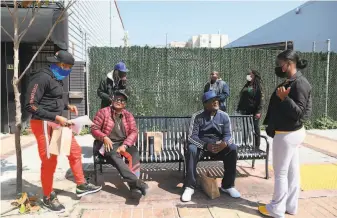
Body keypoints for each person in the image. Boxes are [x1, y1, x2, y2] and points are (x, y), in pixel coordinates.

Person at [25, 50, 102, 213]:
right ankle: (47, 196)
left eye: (69, 67)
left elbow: (52, 99)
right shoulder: (41, 77)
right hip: (43, 124)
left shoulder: (56, 78)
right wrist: (55, 117)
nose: (66, 70)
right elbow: (30, 105)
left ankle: (81, 185)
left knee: (74, 151)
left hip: (57, 122)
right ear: (55, 63)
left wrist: (67, 106)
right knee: (49, 160)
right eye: (64, 66)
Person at [258, 50, 312, 218]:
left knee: (280, 172)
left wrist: (285, 99)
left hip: (287, 134)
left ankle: (276, 209)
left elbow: (301, 114)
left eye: (280, 63)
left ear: (289, 63)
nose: (278, 66)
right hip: (289, 133)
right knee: (291, 171)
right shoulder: (292, 81)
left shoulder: (300, 84)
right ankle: (290, 206)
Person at [181, 90, 241, 202]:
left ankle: (228, 186)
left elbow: (229, 135)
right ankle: (189, 187)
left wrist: (225, 143)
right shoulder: (197, 116)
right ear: (205, 104)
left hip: (219, 146)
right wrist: (205, 145)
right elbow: (192, 137)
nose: (216, 102)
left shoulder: (224, 116)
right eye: (212, 100)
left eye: (216, 99)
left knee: (232, 148)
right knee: (191, 149)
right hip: (203, 146)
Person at [91, 91, 149, 198]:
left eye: (121, 100)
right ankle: (137, 183)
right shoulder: (103, 112)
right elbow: (94, 128)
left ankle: (134, 187)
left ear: (124, 104)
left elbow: (133, 131)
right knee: (113, 154)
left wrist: (125, 145)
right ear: (112, 100)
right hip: (109, 143)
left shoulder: (128, 115)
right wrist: (104, 137)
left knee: (134, 153)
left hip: (123, 143)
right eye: (116, 99)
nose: (118, 101)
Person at [236, 70, 264, 148]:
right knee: (245, 129)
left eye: (250, 74)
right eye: (247, 75)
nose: (248, 76)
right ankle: (244, 144)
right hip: (244, 111)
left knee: (255, 128)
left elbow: (261, 100)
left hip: (254, 111)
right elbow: (243, 98)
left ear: (254, 76)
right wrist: (239, 108)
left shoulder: (258, 86)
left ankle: (257, 145)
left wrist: (258, 111)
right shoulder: (247, 85)